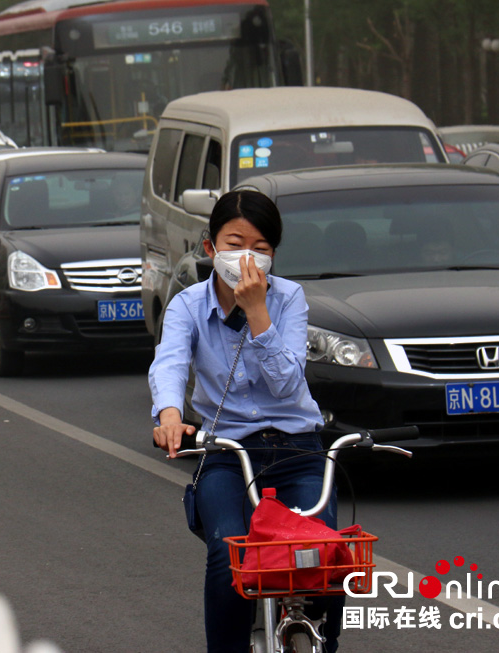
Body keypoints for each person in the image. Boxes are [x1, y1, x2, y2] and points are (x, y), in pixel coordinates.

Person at [149, 190, 342, 653]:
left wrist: (258, 311)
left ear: (274, 255)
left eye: (261, 247)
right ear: (211, 247)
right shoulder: (188, 305)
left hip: (297, 451)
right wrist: (170, 415)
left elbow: (286, 385)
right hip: (227, 455)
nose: (248, 257)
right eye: (236, 243)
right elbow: (170, 364)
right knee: (228, 553)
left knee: (325, 555)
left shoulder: (289, 298)